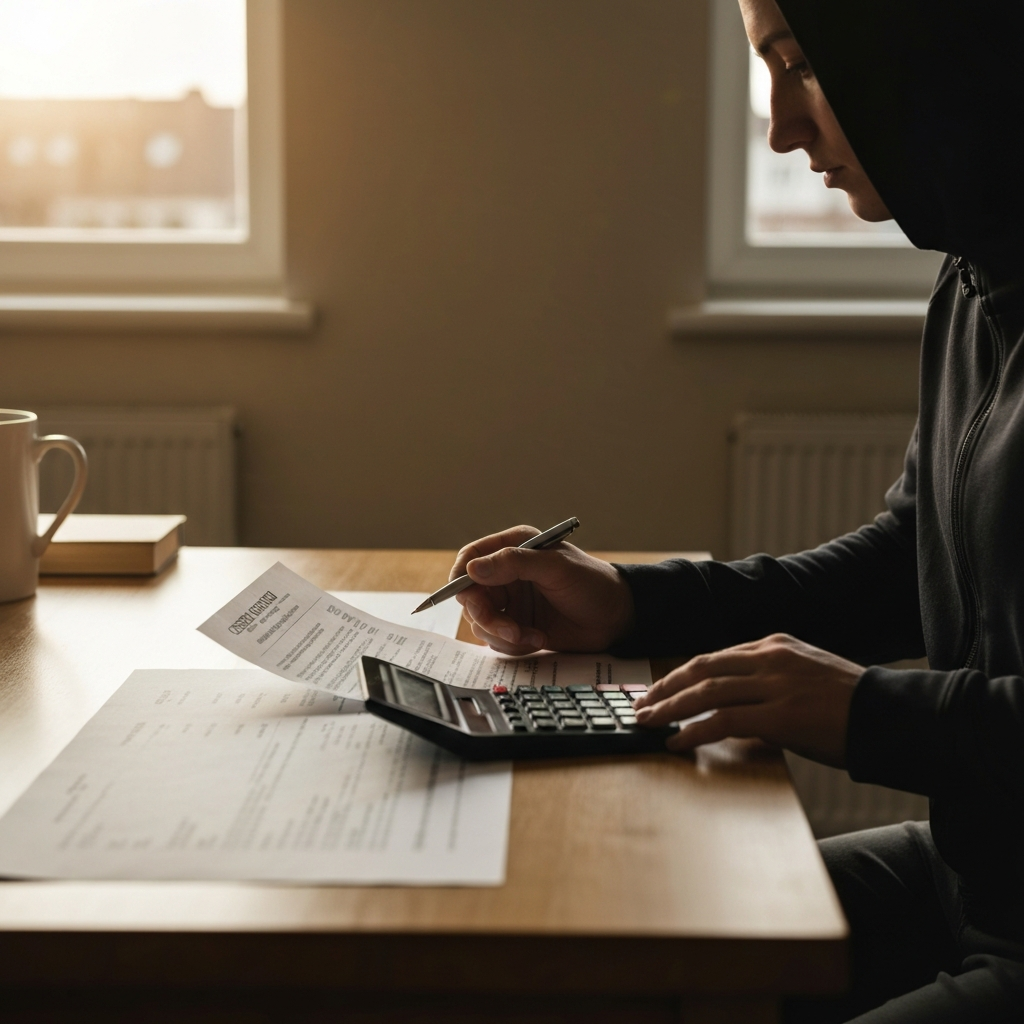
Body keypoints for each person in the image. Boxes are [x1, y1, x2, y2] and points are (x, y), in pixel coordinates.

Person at [445, 0, 1024, 1020]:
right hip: (976, 874)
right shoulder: (981, 284)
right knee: (587, 968)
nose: (783, 128)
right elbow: (908, 559)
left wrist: (861, 711)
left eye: (799, 64)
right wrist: (630, 602)